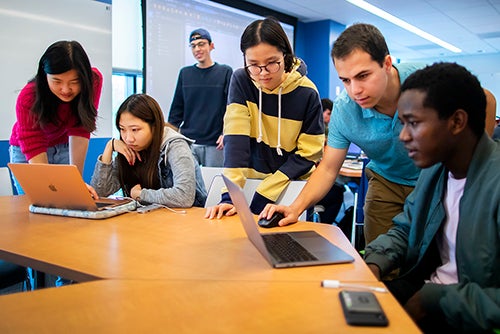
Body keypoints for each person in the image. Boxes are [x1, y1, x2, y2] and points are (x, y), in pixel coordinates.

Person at [260, 23, 496, 245]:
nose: (355, 90)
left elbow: (485, 99)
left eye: (363, 76)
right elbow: (329, 168)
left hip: (436, 179)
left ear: (386, 64)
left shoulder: (424, 82)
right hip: (387, 181)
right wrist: (295, 207)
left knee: (437, 255)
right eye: (346, 80)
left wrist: (471, 174)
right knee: (381, 257)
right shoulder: (344, 110)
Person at [364, 62, 500, 333]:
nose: (403, 137)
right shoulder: (435, 170)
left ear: (457, 122)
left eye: (413, 123)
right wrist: (374, 262)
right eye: (402, 124)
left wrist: (435, 300)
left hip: (464, 314)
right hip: (423, 289)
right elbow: (406, 229)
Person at [205, 17, 324, 219]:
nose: (262, 73)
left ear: (285, 55)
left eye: (272, 63)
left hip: (290, 188)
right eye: (253, 64)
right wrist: (230, 196)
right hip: (249, 183)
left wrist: (266, 193)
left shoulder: (307, 93)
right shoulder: (242, 80)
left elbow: (309, 154)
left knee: (284, 247)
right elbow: (236, 141)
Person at [9, 40, 102, 195]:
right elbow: (33, 142)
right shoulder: (28, 96)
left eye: (74, 82)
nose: (66, 89)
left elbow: (81, 127)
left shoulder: (93, 81)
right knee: (41, 200)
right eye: (57, 81)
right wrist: (48, 189)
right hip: (28, 151)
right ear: (45, 76)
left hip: (64, 146)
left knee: (70, 198)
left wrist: (77, 183)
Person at [91, 94, 207, 208]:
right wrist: (109, 147)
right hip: (149, 220)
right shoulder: (129, 147)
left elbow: (184, 197)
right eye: (122, 129)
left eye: (135, 129)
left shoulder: (175, 146)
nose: (128, 138)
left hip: (186, 221)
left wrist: (141, 195)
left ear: (154, 126)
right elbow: (100, 192)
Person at [168, 28, 233, 167]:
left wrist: (226, 132)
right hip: (189, 143)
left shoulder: (225, 72)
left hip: (216, 144)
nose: (197, 49)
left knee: (215, 186)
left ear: (211, 46)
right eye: (193, 46)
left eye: (201, 44)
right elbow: (176, 111)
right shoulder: (185, 74)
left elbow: (231, 107)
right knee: (189, 185)